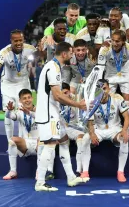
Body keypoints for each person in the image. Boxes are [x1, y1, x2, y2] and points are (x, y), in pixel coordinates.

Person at [34, 42, 87, 191]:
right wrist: (77, 105)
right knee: (50, 146)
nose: (72, 55)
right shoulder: (53, 68)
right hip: (48, 113)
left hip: (53, 112)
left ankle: (71, 178)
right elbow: (57, 95)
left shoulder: (55, 66)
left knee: (64, 141)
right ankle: (40, 183)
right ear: (64, 54)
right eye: (71, 53)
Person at [0, 29, 36, 142]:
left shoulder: (30, 49)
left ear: (24, 39)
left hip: (23, 82)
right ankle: (10, 141)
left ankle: (25, 138)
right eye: (16, 41)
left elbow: (40, 56)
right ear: (11, 41)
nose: (19, 43)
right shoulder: (4, 52)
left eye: (21, 40)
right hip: (8, 84)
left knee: (24, 109)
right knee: (8, 110)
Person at [86, 79, 129, 182]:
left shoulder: (118, 98)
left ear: (109, 89)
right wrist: (92, 134)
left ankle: (120, 172)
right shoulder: (91, 101)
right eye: (99, 89)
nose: (102, 91)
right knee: (85, 139)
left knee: (124, 139)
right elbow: (89, 120)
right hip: (98, 130)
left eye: (104, 88)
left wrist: (124, 130)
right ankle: (84, 172)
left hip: (114, 129)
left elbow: (126, 117)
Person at [3, 89, 38, 180]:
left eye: (29, 97)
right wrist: (9, 111)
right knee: (12, 140)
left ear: (32, 98)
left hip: (39, 145)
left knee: (42, 140)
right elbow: (11, 116)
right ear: (20, 101)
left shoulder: (39, 110)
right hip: (25, 145)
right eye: (24, 98)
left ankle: (39, 172)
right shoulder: (20, 112)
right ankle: (13, 171)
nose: (27, 100)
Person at [60, 82, 91, 181]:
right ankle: (49, 171)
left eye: (66, 93)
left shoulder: (76, 98)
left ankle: (78, 170)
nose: (64, 96)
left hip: (73, 127)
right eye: (62, 94)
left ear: (69, 91)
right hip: (60, 128)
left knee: (82, 139)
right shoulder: (55, 101)